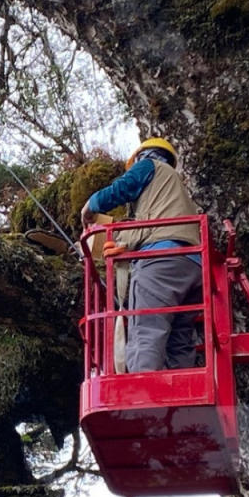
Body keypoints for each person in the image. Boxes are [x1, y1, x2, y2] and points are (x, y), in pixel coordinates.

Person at [80, 138, 203, 373]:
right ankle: (180, 398)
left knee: (146, 329)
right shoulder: (174, 191)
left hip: (160, 262)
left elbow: (122, 188)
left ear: (142, 156)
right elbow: (152, 226)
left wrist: (90, 206)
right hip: (192, 265)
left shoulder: (149, 166)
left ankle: (141, 397)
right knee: (179, 338)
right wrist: (123, 242)